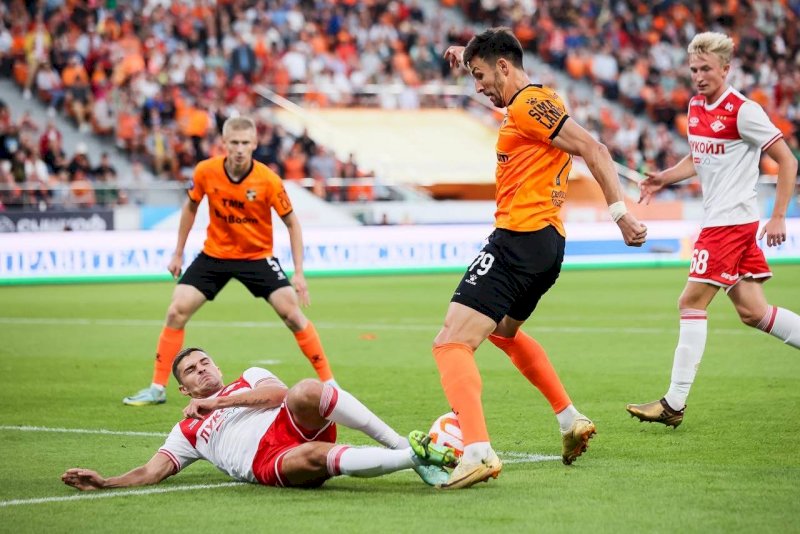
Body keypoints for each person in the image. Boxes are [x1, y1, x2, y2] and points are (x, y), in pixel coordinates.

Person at [436, 28, 648, 489]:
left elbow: (595, 148)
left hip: (517, 239)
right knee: (503, 333)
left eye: (480, 76)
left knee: (450, 342)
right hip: (547, 245)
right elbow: (494, 62)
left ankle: (476, 451)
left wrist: (620, 214)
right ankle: (569, 418)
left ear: (504, 67)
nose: (478, 86)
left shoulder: (527, 105)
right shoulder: (541, 98)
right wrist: (466, 54)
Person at [626, 32, 800, 428]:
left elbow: (787, 161)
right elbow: (697, 157)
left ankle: (673, 403)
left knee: (690, 302)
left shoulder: (743, 111)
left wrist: (778, 216)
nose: (699, 76)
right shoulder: (695, 107)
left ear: (725, 68)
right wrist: (663, 178)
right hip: (724, 222)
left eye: (706, 69)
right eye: (693, 69)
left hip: (729, 224)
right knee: (753, 312)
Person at [124, 117, 337, 406]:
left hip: (257, 256)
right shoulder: (206, 171)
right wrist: (178, 252)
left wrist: (299, 272)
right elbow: (190, 208)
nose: (239, 149)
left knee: (292, 314)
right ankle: (157, 389)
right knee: (176, 311)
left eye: (245, 143)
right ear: (223, 143)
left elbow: (292, 223)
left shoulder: (268, 180)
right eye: (234, 143)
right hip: (216, 255)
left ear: (254, 144)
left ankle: (330, 384)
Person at [65, 348, 457, 490]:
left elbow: (280, 397)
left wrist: (218, 402)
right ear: (183, 389)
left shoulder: (248, 377)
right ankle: (414, 458)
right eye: (191, 371)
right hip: (266, 462)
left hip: (288, 422)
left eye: (205, 362)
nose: (202, 370)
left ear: (217, 366)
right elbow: (151, 472)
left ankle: (399, 443)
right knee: (313, 457)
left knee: (307, 389)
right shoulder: (185, 431)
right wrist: (106, 482)